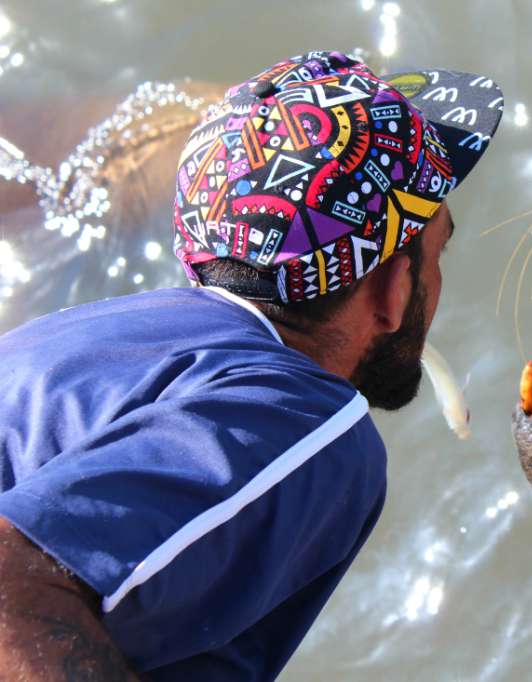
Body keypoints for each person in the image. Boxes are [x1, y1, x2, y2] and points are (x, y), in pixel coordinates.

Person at [0, 50, 502, 680]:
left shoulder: (64, 343)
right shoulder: (303, 418)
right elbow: (10, 584)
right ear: (396, 287)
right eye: (438, 248)